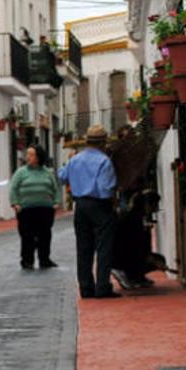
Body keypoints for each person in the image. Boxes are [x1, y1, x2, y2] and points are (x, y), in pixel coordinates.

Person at [58, 125, 119, 298]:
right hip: (99, 205)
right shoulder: (104, 161)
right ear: (103, 142)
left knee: (83, 248)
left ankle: (86, 288)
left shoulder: (75, 159)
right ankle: (102, 287)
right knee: (104, 247)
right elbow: (105, 189)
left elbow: (62, 176)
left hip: (80, 206)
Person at [10, 145, 60, 270]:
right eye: (27, 154)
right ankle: (27, 260)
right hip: (26, 209)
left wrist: (56, 202)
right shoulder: (21, 172)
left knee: (45, 235)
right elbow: (13, 188)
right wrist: (15, 203)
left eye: (31, 155)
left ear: (39, 157)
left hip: (45, 209)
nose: (28, 157)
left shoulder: (47, 172)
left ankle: (45, 259)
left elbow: (55, 188)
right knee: (27, 235)